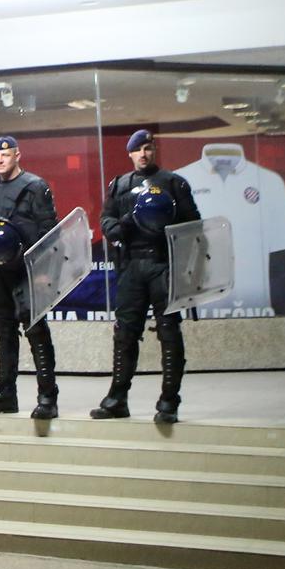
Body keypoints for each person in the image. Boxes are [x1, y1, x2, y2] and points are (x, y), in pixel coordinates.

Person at [92, 129, 201, 424]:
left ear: (154, 151)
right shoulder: (120, 185)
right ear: (130, 154)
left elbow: (193, 226)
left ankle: (169, 401)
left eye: (148, 149)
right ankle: (117, 398)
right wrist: (124, 223)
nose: (143, 154)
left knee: (169, 332)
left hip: (164, 264)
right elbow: (107, 221)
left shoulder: (174, 183)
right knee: (125, 333)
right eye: (138, 150)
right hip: (132, 266)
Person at [0, 136, 60, 420]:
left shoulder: (35, 186)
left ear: (17, 155)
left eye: (5, 155)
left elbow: (49, 231)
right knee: (4, 331)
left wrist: (45, 269)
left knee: (35, 330)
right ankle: (5, 394)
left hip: (27, 270)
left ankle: (48, 396)